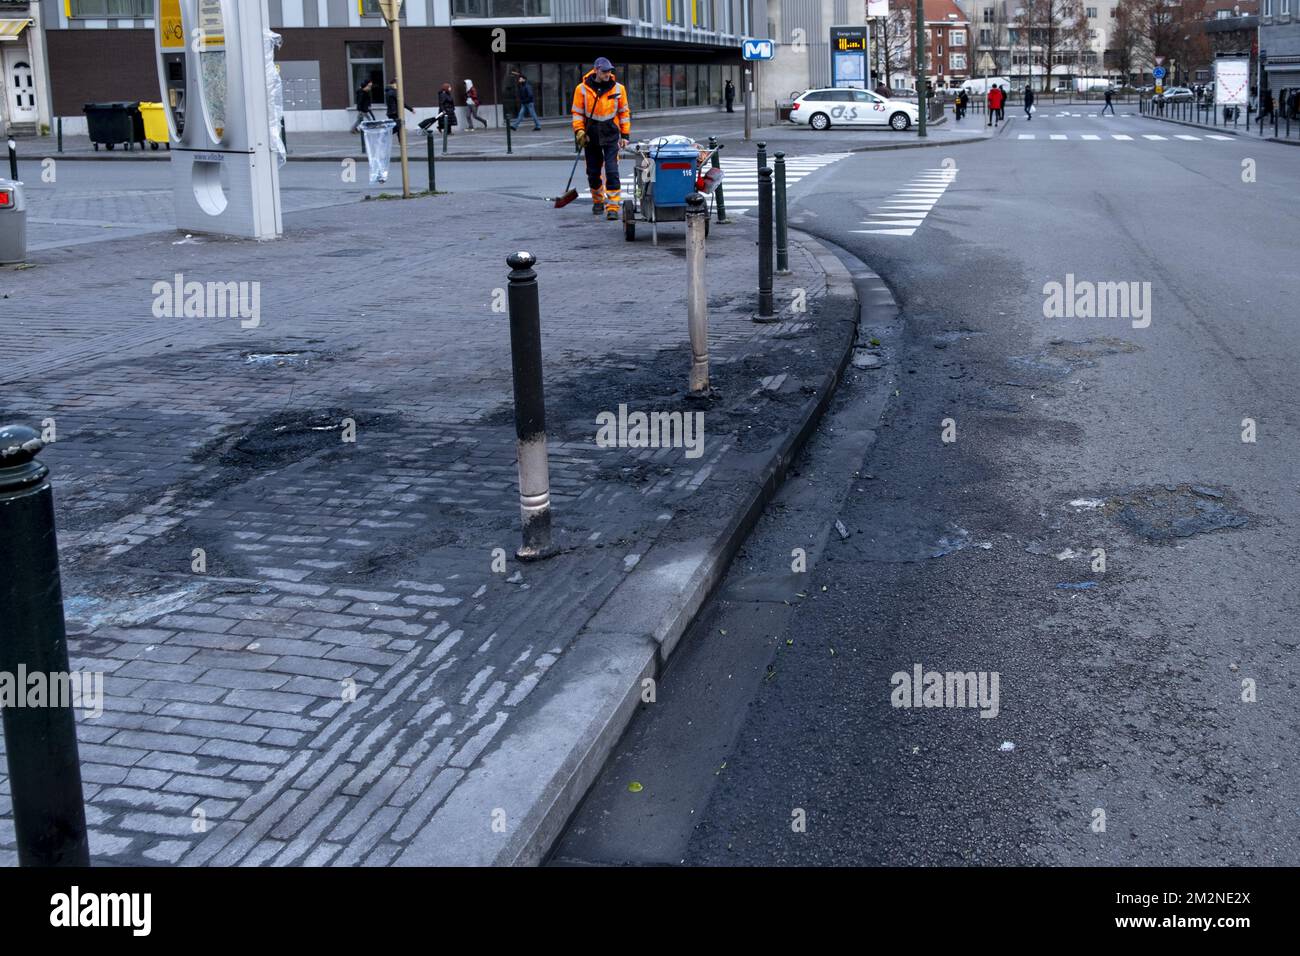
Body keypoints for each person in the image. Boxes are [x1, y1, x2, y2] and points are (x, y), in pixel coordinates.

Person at [572, 56, 631, 220]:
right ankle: (598, 200)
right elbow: (577, 113)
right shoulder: (581, 89)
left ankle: (612, 206)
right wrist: (579, 131)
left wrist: (625, 135)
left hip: (611, 131)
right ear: (596, 70)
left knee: (612, 171)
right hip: (591, 134)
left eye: (610, 71)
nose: (608, 74)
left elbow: (624, 113)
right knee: (593, 172)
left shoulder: (619, 89)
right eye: (605, 71)